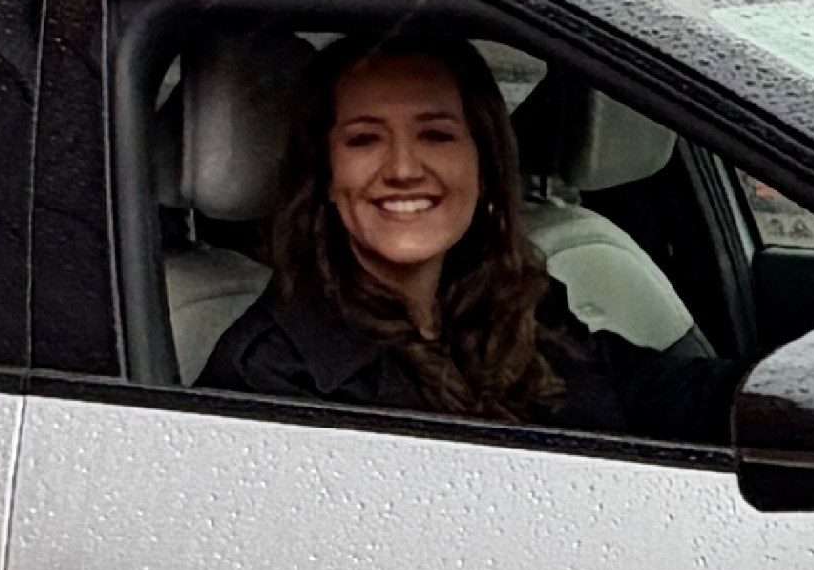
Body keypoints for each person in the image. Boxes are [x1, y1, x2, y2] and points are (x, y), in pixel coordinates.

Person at [199, 32, 730, 440]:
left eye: (436, 134)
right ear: (326, 176)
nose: (404, 168)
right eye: (364, 140)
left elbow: (655, 392)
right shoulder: (272, 377)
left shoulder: (517, 300)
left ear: (483, 165)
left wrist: (795, 395)